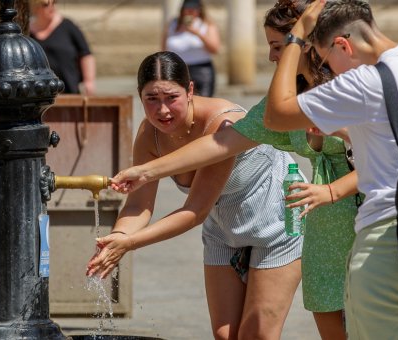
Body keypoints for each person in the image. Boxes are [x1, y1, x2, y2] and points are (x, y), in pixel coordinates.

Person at [107, 2, 359, 339]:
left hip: (298, 220)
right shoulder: (278, 109)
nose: (271, 58)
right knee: (232, 335)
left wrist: (331, 189)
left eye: (277, 48)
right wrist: (140, 186)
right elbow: (220, 145)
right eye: (151, 99)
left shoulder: (349, 89)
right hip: (288, 224)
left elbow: (197, 202)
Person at [264, 0, 398, 339]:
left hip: (391, 242)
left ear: (343, 45)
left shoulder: (363, 83)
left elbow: (276, 114)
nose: (330, 72)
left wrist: (296, 37)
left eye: (325, 60)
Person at [86, 51, 303, 340]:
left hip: (277, 222)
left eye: (171, 98)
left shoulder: (220, 123)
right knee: (225, 335)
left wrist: (129, 243)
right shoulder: (149, 134)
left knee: (257, 334)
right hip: (224, 228)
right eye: (152, 99)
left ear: (190, 90)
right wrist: (114, 240)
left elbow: (195, 211)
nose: (162, 110)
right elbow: (139, 204)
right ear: (140, 96)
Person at [29, 0, 96, 95]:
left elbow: (85, 54)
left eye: (54, 3)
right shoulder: (27, 32)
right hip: (39, 94)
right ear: (35, 8)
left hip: (69, 91)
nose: (51, 7)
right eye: (46, 5)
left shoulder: (68, 26)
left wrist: (89, 81)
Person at [163, 0, 220, 97]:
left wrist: (197, 33)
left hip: (201, 70)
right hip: (177, 68)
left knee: (203, 102)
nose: (190, 12)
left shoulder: (206, 24)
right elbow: (163, 49)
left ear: (199, 11)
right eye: (188, 9)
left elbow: (215, 49)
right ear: (182, 10)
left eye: (193, 10)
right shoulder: (173, 24)